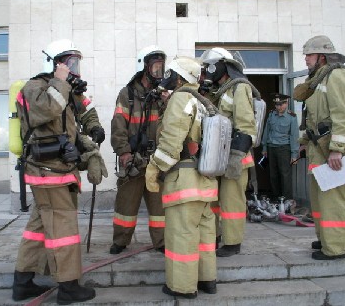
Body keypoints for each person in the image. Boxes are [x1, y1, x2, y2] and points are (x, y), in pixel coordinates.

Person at [12, 39, 107, 304]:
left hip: (60, 171)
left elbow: (85, 109)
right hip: (47, 172)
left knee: (38, 228)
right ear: (53, 63)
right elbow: (47, 110)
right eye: (68, 62)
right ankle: (68, 288)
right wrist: (61, 81)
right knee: (63, 229)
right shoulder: (34, 88)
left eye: (75, 62)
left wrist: (95, 128)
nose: (73, 68)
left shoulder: (66, 90)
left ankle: (22, 282)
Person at [145, 56, 218, 298]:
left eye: (171, 73)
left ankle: (182, 287)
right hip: (206, 181)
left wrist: (154, 168)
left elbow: (172, 141)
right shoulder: (201, 101)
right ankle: (207, 280)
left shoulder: (180, 99)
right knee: (205, 236)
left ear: (179, 77)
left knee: (182, 236)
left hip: (184, 182)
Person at [293, 35, 345, 260]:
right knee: (319, 199)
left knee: (333, 200)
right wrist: (303, 144)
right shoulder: (318, 79)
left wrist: (338, 148)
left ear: (322, 57)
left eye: (310, 55)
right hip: (319, 149)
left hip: (332, 151)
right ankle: (326, 237)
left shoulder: (336, 76)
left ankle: (336, 248)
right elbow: (313, 118)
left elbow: (344, 115)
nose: (306, 59)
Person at [199, 48, 257, 257]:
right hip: (218, 158)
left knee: (232, 201)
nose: (206, 71)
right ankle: (214, 235)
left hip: (235, 157)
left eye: (209, 66)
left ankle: (233, 242)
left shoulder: (239, 88)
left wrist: (236, 157)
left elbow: (246, 126)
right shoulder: (219, 90)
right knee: (214, 200)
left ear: (221, 65)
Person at [109, 46, 167, 254]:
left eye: (161, 68)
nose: (159, 73)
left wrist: (167, 102)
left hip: (156, 162)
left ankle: (161, 242)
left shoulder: (163, 97)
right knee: (126, 205)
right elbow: (118, 126)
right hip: (133, 160)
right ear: (144, 67)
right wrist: (124, 153)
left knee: (159, 207)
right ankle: (121, 241)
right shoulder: (127, 95)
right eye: (155, 68)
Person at [261, 93, 299, 201]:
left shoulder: (292, 117)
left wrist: (294, 154)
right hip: (271, 147)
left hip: (284, 149)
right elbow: (266, 131)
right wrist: (264, 147)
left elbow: (294, 136)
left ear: (286, 103)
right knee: (273, 175)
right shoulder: (272, 114)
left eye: (281, 105)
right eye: (276, 105)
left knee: (285, 175)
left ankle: (287, 201)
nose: (278, 107)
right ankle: (275, 199)